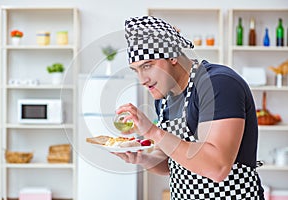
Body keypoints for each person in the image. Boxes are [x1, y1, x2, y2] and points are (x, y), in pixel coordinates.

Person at [113, 15, 265, 199]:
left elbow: (218, 168)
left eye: (147, 66)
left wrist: (152, 132)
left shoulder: (219, 84)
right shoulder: (164, 96)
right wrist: (141, 158)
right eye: (136, 70)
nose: (142, 80)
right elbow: (169, 161)